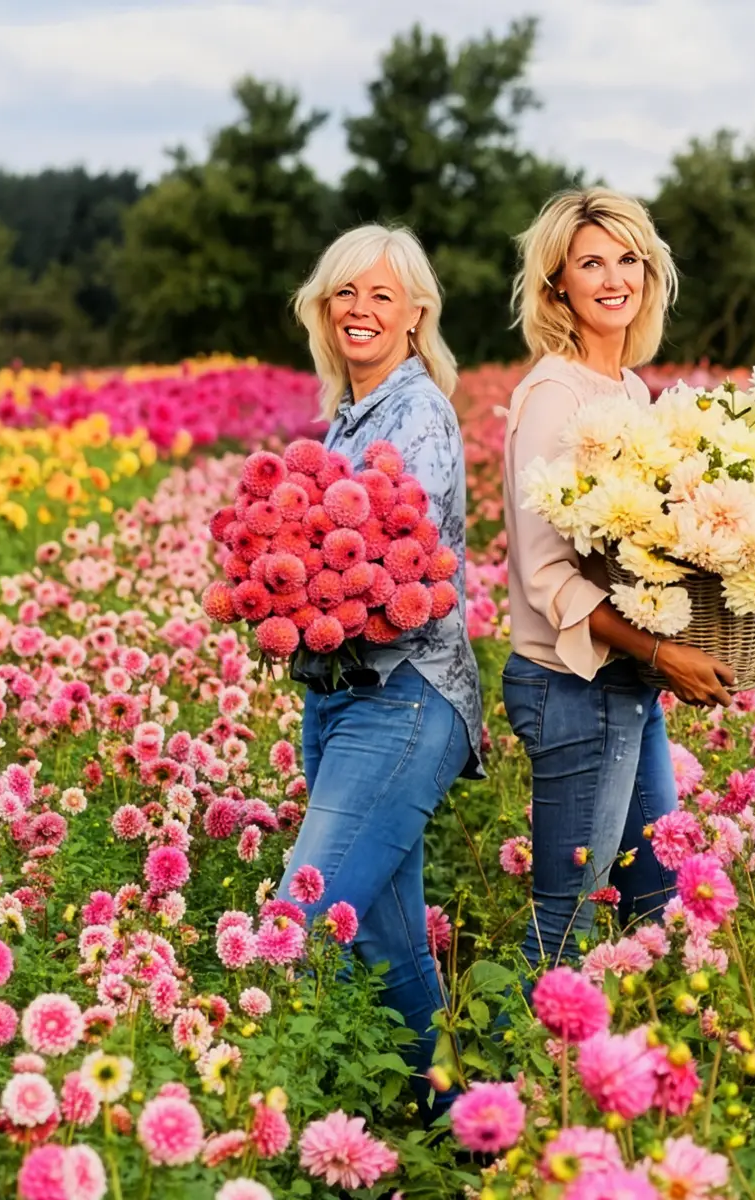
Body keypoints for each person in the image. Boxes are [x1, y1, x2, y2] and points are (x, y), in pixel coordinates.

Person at [502, 187, 735, 969]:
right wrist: (664, 653)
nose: (613, 278)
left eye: (628, 259)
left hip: (626, 676)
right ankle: (507, 1079)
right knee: (565, 920)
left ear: (649, 272)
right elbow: (545, 574)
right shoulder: (553, 395)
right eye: (590, 262)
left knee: (655, 899)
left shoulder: (632, 391)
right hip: (572, 680)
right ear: (555, 284)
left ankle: (621, 1066)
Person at [280, 224, 483, 1111]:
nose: (359, 310)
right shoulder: (352, 413)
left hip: (403, 699)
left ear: (415, 316)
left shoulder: (418, 413)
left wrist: (304, 593)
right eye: (344, 295)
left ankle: (252, 1099)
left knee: (296, 922)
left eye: (381, 296)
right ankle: (458, 1130)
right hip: (340, 699)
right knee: (391, 944)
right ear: (324, 311)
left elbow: (410, 567)